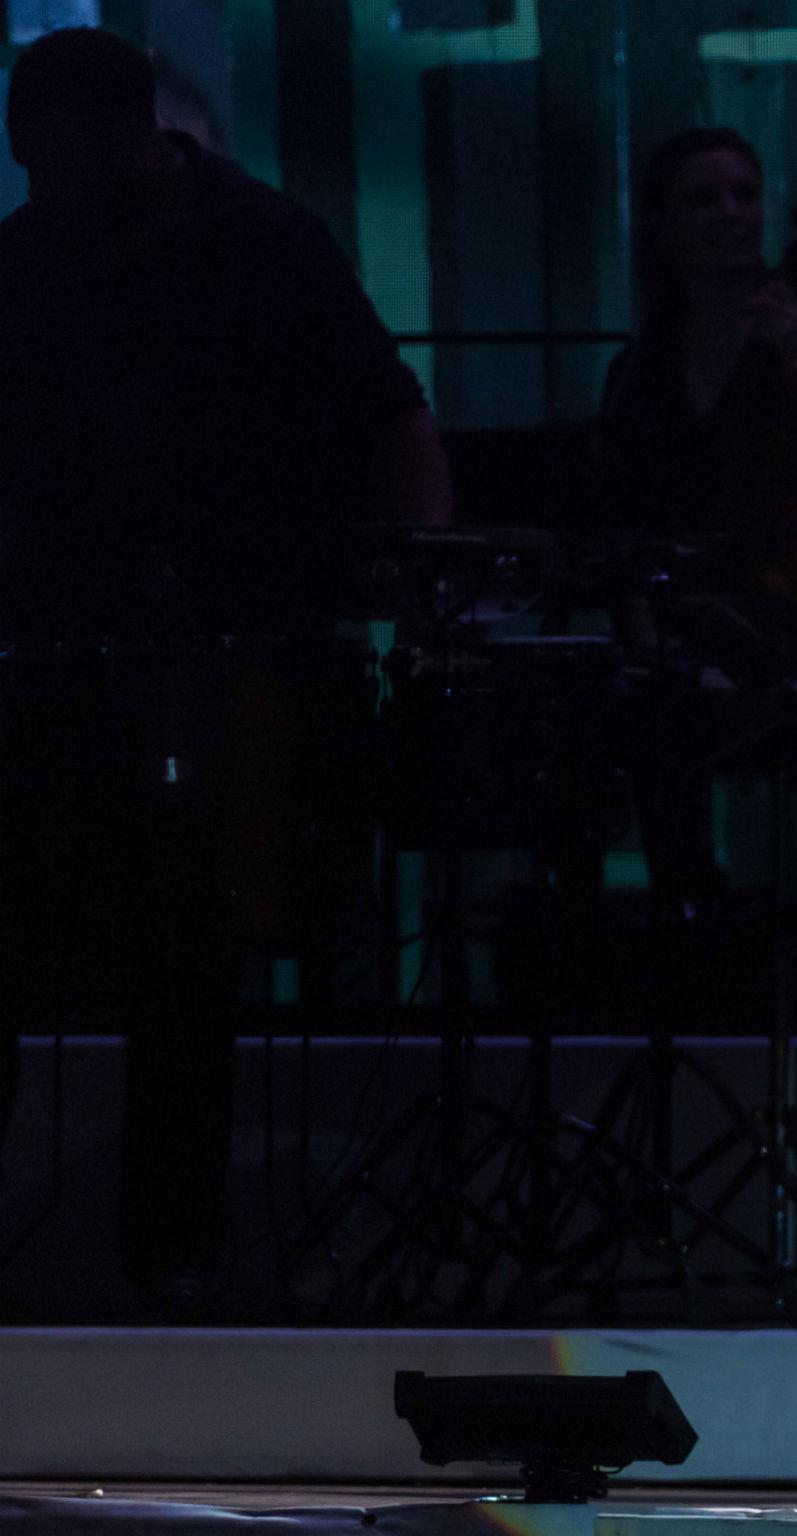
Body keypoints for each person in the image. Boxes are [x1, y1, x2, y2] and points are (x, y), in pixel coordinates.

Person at [0, 27, 448, 1305]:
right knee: (155, 956)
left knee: (183, 956)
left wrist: (421, 594)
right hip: (81, 661)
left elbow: (386, 420)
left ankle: (173, 1258)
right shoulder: (46, 255)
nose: (44, 185)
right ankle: (169, 1260)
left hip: (224, 659)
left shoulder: (262, 247)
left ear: (118, 137)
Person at [601, 127, 797, 640]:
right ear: (662, 223)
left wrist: (796, 358)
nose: (732, 213)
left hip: (794, 618)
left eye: (746, 195)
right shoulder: (639, 365)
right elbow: (620, 510)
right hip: (673, 620)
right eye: (704, 199)